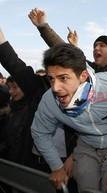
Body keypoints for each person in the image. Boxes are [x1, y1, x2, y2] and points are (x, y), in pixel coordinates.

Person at [31, 43, 107, 192]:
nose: (55, 88)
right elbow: (40, 132)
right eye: (51, 79)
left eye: (63, 78)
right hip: (86, 147)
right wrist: (57, 167)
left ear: (83, 76)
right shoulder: (49, 101)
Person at [0, 28, 78, 193]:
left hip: (68, 167)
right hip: (33, 163)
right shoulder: (38, 88)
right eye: (52, 75)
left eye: (63, 76)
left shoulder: (87, 94)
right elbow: (13, 63)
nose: (57, 85)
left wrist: (76, 155)